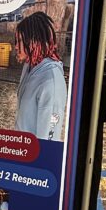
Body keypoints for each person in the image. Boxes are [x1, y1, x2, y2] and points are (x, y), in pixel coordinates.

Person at [14, 12, 67, 140]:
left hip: (33, 156)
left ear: (34, 42)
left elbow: (49, 138)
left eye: (20, 41)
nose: (15, 46)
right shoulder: (29, 65)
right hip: (22, 149)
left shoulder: (51, 83)